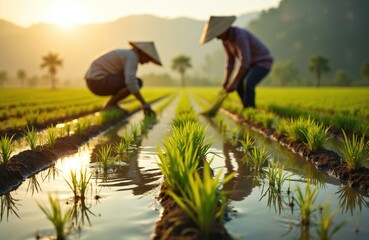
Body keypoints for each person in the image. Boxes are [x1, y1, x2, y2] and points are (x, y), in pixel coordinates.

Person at [199, 16, 273, 108]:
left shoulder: (240, 36)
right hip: (250, 64)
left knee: (248, 82)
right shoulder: (225, 41)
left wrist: (234, 82)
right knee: (239, 85)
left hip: (263, 62)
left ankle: (250, 108)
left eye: (218, 34)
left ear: (224, 29)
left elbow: (245, 61)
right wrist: (226, 81)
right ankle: (246, 106)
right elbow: (230, 61)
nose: (217, 38)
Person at [85, 41, 162, 115]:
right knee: (137, 82)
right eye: (148, 59)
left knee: (134, 82)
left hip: (94, 81)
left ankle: (111, 104)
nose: (147, 62)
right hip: (97, 82)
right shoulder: (132, 57)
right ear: (142, 53)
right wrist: (144, 103)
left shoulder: (128, 54)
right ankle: (110, 105)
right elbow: (130, 81)